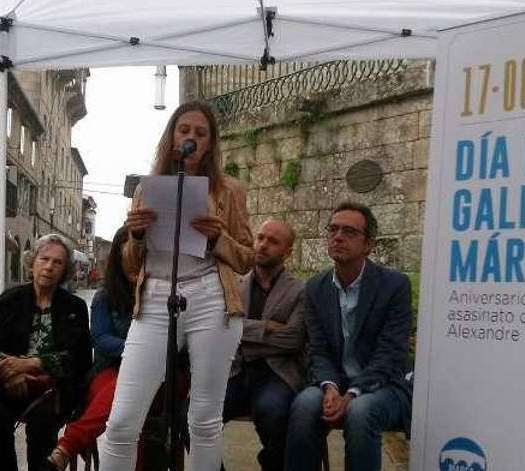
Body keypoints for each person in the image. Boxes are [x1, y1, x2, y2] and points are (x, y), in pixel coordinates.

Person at [100, 100, 254, 471]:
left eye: (201, 134)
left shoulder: (230, 190)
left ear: (211, 144)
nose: (191, 138)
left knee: (203, 420)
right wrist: (135, 235)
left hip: (211, 299)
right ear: (171, 138)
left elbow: (247, 257)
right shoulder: (146, 188)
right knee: (121, 423)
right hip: (155, 298)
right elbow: (131, 266)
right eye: (184, 130)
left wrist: (219, 238)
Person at [284, 202, 412, 471]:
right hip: (336, 381)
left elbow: (390, 355)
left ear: (369, 245)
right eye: (333, 230)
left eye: (349, 232)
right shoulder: (315, 287)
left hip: (384, 385)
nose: (338, 237)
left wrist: (352, 394)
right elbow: (317, 349)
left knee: (360, 412)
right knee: (305, 404)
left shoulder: (395, 286)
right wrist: (330, 387)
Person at [0, 233, 92, 471]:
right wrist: (9, 373)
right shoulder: (9, 300)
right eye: (44, 259)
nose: (49, 266)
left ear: (65, 270)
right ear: (33, 261)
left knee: (42, 421)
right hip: (8, 384)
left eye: (57, 262)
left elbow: (79, 358)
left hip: (52, 388)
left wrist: (35, 363)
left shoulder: (75, 307)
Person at [45, 227, 141, 471]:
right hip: (111, 368)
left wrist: (146, 354)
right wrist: (138, 349)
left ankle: (67, 445)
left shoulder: (163, 295)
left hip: (161, 375)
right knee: (123, 394)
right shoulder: (105, 297)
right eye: (126, 255)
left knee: (131, 392)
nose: (133, 262)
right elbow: (101, 339)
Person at [223, 219, 306, 471]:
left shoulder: (300, 291)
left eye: (273, 241)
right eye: (261, 238)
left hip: (276, 374)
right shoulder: (233, 286)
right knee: (189, 415)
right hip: (235, 371)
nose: (263, 245)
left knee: (274, 412)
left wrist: (242, 332)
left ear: (288, 252)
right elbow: (222, 329)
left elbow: (293, 339)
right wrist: (266, 326)